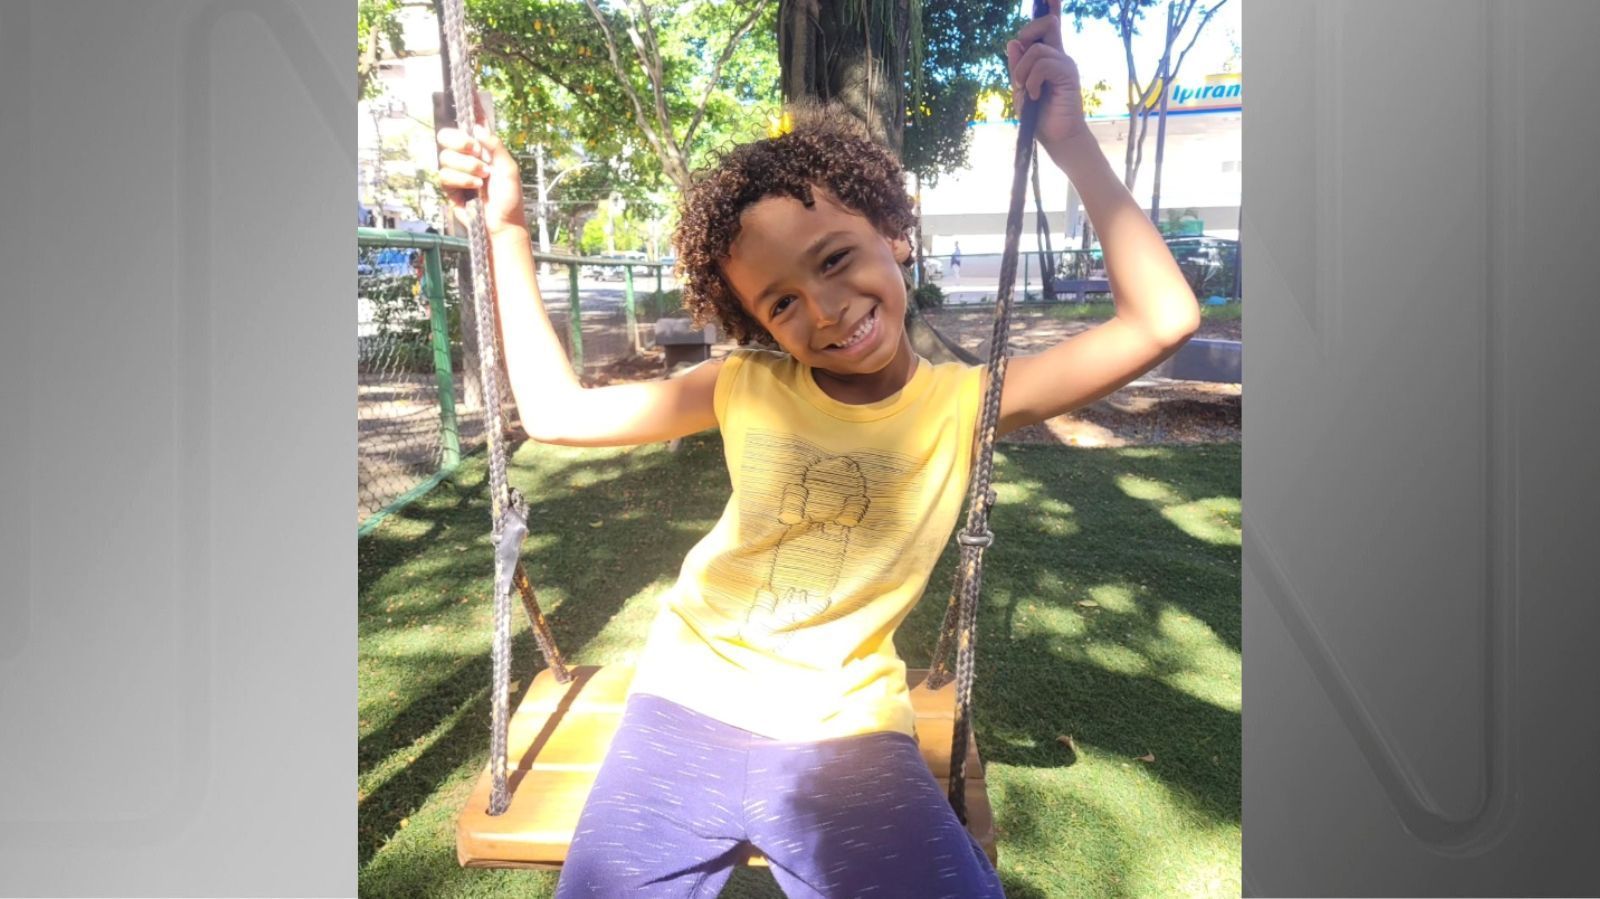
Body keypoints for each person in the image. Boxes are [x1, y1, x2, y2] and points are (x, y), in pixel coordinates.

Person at [436, 3, 1197, 894]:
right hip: (684, 709)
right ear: (758, 323)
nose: (826, 310)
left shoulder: (966, 404)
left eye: (835, 259)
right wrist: (507, 230)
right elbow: (557, 411)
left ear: (895, 234)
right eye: (782, 303)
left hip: (847, 736)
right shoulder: (744, 383)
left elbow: (1163, 319)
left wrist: (1070, 143)